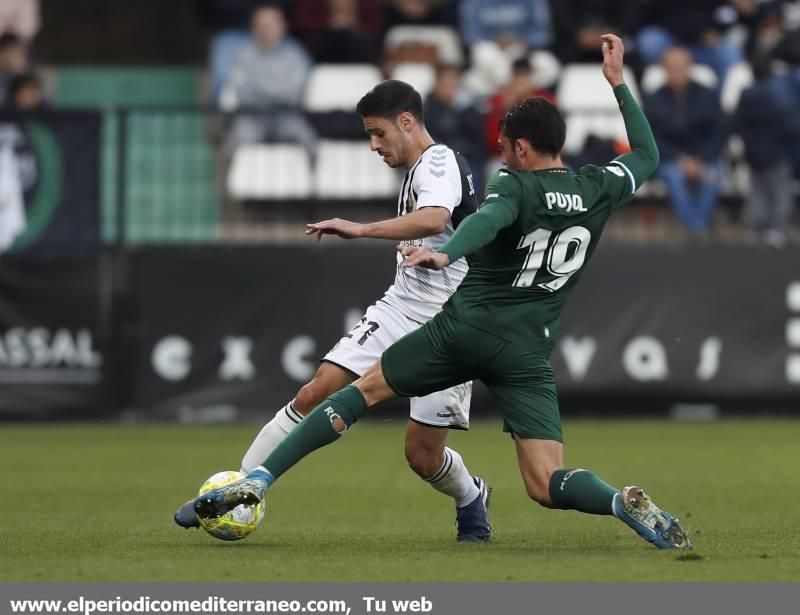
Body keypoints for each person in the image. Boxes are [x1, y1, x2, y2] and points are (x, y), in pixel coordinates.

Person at [187, 35, 692, 551]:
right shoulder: (598, 186)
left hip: (466, 329)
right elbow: (648, 154)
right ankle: (615, 500)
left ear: (519, 148)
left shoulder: (512, 185)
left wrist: (445, 253)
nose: (501, 155)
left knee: (360, 392)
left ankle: (258, 482)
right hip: (528, 351)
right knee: (545, 482)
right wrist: (617, 84)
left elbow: (482, 222)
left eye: (503, 147)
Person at [177, 79, 491, 542]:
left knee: (422, 456)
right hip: (401, 307)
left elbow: (435, 218)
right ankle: (239, 489)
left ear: (407, 122)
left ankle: (470, 495)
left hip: (448, 322)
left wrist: (359, 229)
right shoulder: (420, 168)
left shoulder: (439, 161)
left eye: (379, 133)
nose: (374, 145)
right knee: (315, 391)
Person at [645, 46, 726, 236]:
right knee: (675, 177)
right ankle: (697, 229)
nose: (677, 73)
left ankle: (695, 228)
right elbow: (650, 137)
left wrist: (700, 159)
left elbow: (719, 132)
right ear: (663, 69)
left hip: (704, 158)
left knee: (712, 176)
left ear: (690, 67)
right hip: (669, 159)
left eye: (681, 67)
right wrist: (680, 159)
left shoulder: (708, 95)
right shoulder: (653, 99)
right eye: (672, 68)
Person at [221, 3, 317, 154]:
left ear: (282, 27)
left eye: (270, 25)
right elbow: (242, 93)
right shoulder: (242, 56)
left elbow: (293, 95)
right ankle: (235, 178)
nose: (265, 30)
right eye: (261, 25)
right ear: (253, 28)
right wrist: (277, 86)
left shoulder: (295, 56)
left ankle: (311, 178)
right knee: (238, 138)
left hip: (287, 116)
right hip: (252, 116)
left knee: (307, 139)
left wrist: (258, 85)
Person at [735, 59, 798, 247]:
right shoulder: (778, 95)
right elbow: (789, 126)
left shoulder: (746, 95)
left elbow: (738, 124)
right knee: (780, 192)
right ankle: (775, 229)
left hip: (754, 154)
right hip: (777, 153)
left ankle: (755, 229)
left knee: (758, 192)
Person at [424, 64, 485, 192]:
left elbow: (477, 135)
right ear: (437, 84)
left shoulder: (466, 108)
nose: (450, 88)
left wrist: (462, 111)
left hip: (467, 159)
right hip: (440, 161)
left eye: (454, 84)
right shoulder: (427, 109)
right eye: (447, 84)